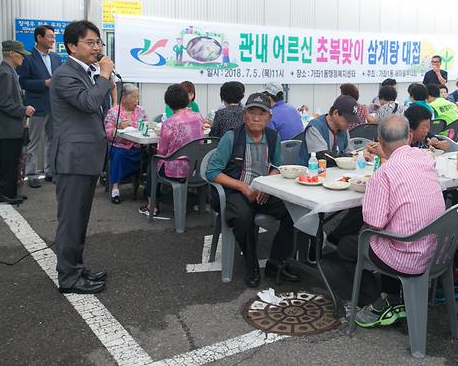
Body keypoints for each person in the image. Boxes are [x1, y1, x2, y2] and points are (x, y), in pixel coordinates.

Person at [341, 115, 446, 327]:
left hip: (408, 259)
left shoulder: (384, 174)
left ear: (379, 140)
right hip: (436, 252)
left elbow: (374, 223)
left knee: (348, 245)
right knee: (393, 231)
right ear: (409, 136)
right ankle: (393, 296)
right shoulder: (426, 158)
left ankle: (377, 302)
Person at [204, 93, 298, 287]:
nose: (256, 118)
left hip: (263, 191)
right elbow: (212, 172)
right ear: (244, 115)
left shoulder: (273, 137)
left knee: (295, 210)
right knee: (243, 218)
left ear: (269, 117)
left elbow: (276, 166)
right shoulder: (231, 137)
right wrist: (243, 187)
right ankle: (251, 264)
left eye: (262, 113)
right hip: (237, 189)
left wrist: (267, 185)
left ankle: (275, 262)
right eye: (251, 112)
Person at [49, 20, 114, 294]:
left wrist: (101, 78)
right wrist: (103, 75)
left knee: (80, 219)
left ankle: (76, 268)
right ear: (71, 46)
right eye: (90, 42)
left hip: (85, 158)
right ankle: (69, 278)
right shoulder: (65, 74)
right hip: (73, 160)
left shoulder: (86, 72)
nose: (96, 47)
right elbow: (88, 102)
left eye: (98, 42)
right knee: (71, 221)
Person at [0, 40, 36, 204]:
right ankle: (4, 193)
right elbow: (3, 102)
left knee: (12, 161)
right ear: (12, 54)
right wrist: (23, 110)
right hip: (6, 129)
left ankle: (9, 192)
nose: (23, 58)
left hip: (9, 128)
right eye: (21, 55)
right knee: (9, 162)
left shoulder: (9, 71)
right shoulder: (4, 73)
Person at [148, 84, 205, 216]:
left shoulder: (169, 123)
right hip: (196, 169)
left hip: (176, 172)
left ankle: (151, 205)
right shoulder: (198, 117)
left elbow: (161, 151)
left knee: (151, 164)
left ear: (168, 103)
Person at [17, 24, 62, 188]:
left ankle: (50, 171)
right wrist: (44, 83)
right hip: (36, 106)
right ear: (39, 38)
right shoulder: (28, 57)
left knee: (53, 139)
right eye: (50, 36)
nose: (52, 39)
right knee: (34, 141)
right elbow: (23, 82)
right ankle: (32, 173)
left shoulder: (56, 58)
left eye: (53, 36)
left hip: (54, 106)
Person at [103, 83, 147, 204]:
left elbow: (146, 125)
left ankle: (149, 190)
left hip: (138, 147)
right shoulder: (113, 112)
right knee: (118, 155)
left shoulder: (140, 110)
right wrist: (118, 127)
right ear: (124, 97)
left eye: (137, 97)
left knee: (151, 157)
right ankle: (115, 189)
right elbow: (107, 133)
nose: (136, 101)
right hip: (121, 147)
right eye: (134, 97)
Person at [298, 94, 360, 165]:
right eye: (348, 120)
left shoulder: (343, 128)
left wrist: (360, 155)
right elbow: (323, 157)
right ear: (335, 113)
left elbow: (349, 152)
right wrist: (352, 157)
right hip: (312, 173)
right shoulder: (315, 127)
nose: (350, 123)